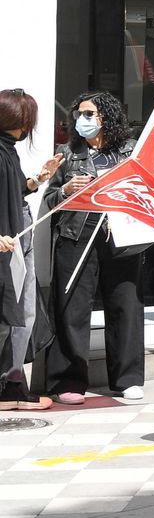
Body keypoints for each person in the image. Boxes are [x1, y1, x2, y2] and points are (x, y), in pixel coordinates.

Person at [43, 91, 147, 404]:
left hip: (121, 236)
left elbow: (148, 190)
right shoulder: (67, 152)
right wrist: (65, 189)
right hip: (77, 235)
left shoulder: (130, 151)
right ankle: (67, 380)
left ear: (106, 117)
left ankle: (127, 378)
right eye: (79, 114)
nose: (82, 120)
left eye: (89, 114)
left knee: (125, 305)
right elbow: (48, 201)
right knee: (72, 307)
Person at [1, 90, 60, 410]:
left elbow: (13, 190)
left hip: (17, 237)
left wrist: (38, 179)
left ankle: (13, 383)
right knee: (9, 315)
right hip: (7, 243)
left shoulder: (8, 150)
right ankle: (8, 385)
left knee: (25, 313)